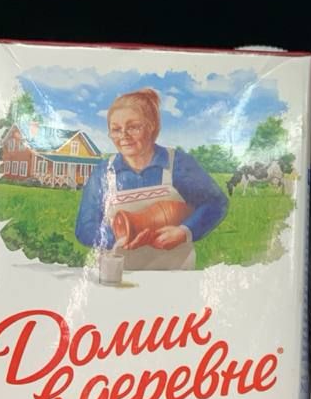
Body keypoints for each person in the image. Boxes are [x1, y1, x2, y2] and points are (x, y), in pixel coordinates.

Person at [75, 87, 228, 271]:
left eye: (133, 127)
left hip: (174, 273)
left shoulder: (177, 163)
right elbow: (85, 228)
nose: (123, 136)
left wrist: (184, 232)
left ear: (152, 125)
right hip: (120, 274)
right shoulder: (103, 172)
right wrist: (123, 236)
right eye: (116, 129)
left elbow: (216, 203)